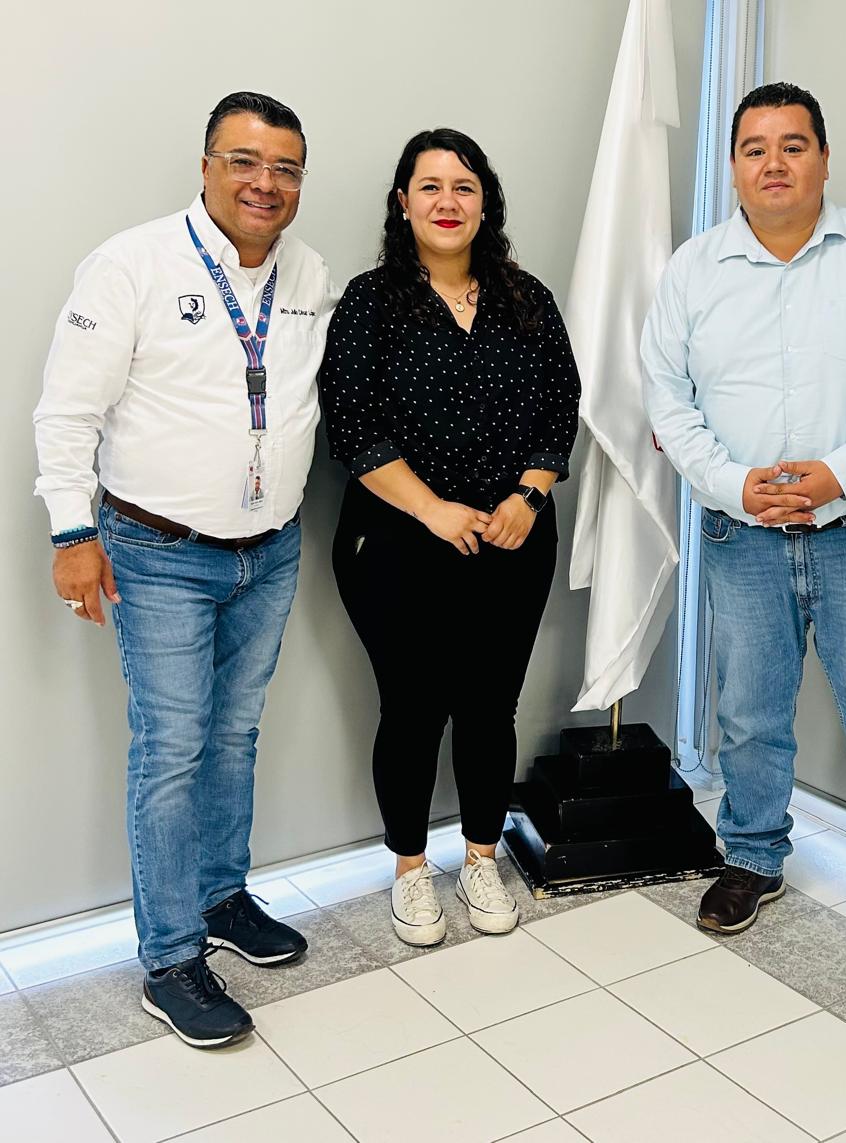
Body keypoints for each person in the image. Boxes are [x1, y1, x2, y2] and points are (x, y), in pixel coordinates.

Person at [33, 92, 335, 1049]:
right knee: (172, 747)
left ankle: (220, 897)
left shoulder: (309, 272)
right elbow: (67, 412)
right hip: (158, 551)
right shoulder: (132, 264)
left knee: (235, 733)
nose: (265, 183)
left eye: (285, 168)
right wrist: (70, 532)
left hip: (270, 548)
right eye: (244, 161)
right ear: (205, 167)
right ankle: (169, 959)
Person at [642, 83, 846, 957]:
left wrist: (837, 473)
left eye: (793, 145)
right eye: (755, 148)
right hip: (740, 534)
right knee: (748, 712)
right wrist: (736, 485)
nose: (773, 163)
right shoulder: (693, 270)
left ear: (824, 156)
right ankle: (751, 855)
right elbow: (667, 398)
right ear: (734, 166)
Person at [319, 129, 580, 946]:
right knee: (412, 708)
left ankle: (478, 857)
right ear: (402, 203)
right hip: (396, 543)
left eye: (463, 187)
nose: (447, 201)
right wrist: (431, 508)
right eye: (429, 187)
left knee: (491, 706)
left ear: (484, 203)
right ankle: (409, 868)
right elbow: (350, 423)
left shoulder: (526, 298)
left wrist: (529, 496)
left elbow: (561, 405)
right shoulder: (370, 301)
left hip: (513, 539)